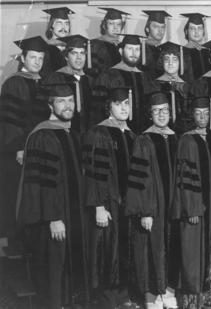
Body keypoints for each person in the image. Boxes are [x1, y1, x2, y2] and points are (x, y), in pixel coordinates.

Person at [17, 82, 89, 309]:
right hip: (53, 220)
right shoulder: (43, 135)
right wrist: (53, 218)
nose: (67, 105)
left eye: (70, 100)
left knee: (68, 269)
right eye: (61, 101)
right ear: (50, 105)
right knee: (53, 272)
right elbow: (42, 182)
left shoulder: (73, 134)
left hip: (72, 216)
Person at [83, 86, 137, 309]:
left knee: (124, 249)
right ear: (109, 107)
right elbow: (94, 172)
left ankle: (123, 296)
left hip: (127, 206)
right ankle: (107, 301)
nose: (123, 108)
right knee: (107, 250)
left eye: (126, 104)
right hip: (108, 205)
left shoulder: (132, 135)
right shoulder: (98, 133)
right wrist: (98, 206)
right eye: (118, 104)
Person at [126, 92, 179, 309]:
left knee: (171, 247)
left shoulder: (177, 137)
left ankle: (168, 292)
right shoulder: (143, 139)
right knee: (151, 249)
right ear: (150, 114)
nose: (161, 114)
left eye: (165, 110)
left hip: (173, 208)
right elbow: (140, 179)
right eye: (156, 111)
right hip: (153, 208)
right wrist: (145, 211)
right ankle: (151, 297)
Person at [172, 96, 211, 309]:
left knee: (210, 248)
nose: (202, 117)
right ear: (191, 115)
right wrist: (191, 208)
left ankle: (210, 296)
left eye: (206, 113)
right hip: (195, 209)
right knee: (192, 251)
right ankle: (192, 299)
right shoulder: (187, 140)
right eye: (198, 113)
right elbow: (185, 178)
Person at [0, 36, 50, 245]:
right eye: (33, 57)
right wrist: (19, 148)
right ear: (23, 57)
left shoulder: (44, 82)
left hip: (40, 148)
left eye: (40, 58)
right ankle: (14, 242)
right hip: (19, 151)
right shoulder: (14, 83)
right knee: (16, 194)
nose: (37, 62)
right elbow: (10, 119)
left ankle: (31, 240)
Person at [93, 34, 157, 134]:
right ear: (121, 51)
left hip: (142, 134)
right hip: (114, 133)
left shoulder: (145, 78)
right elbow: (98, 111)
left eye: (137, 49)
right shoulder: (107, 76)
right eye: (130, 49)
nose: (134, 53)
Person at [45, 34, 93, 133]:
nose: (79, 58)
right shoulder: (55, 78)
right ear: (66, 56)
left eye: (82, 53)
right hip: (62, 132)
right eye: (74, 53)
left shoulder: (90, 80)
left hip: (87, 134)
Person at [155, 41, 192, 134]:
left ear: (180, 62)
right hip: (161, 132)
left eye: (175, 59)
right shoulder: (154, 85)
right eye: (167, 59)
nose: (170, 63)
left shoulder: (187, 87)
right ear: (162, 62)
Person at [90, 7, 130, 75]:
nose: (115, 27)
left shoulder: (123, 46)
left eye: (118, 24)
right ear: (104, 25)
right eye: (111, 23)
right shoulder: (94, 44)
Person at [40, 7, 74, 78]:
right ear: (51, 26)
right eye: (59, 23)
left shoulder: (72, 48)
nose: (64, 27)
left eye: (67, 23)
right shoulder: (43, 49)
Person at [181, 13, 211, 82]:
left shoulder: (209, 51)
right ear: (186, 31)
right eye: (192, 28)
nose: (196, 32)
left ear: (203, 31)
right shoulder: (181, 52)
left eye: (199, 28)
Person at [141, 10, 171, 78]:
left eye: (162, 27)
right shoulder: (141, 49)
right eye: (156, 26)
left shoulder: (162, 49)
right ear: (147, 28)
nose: (160, 31)